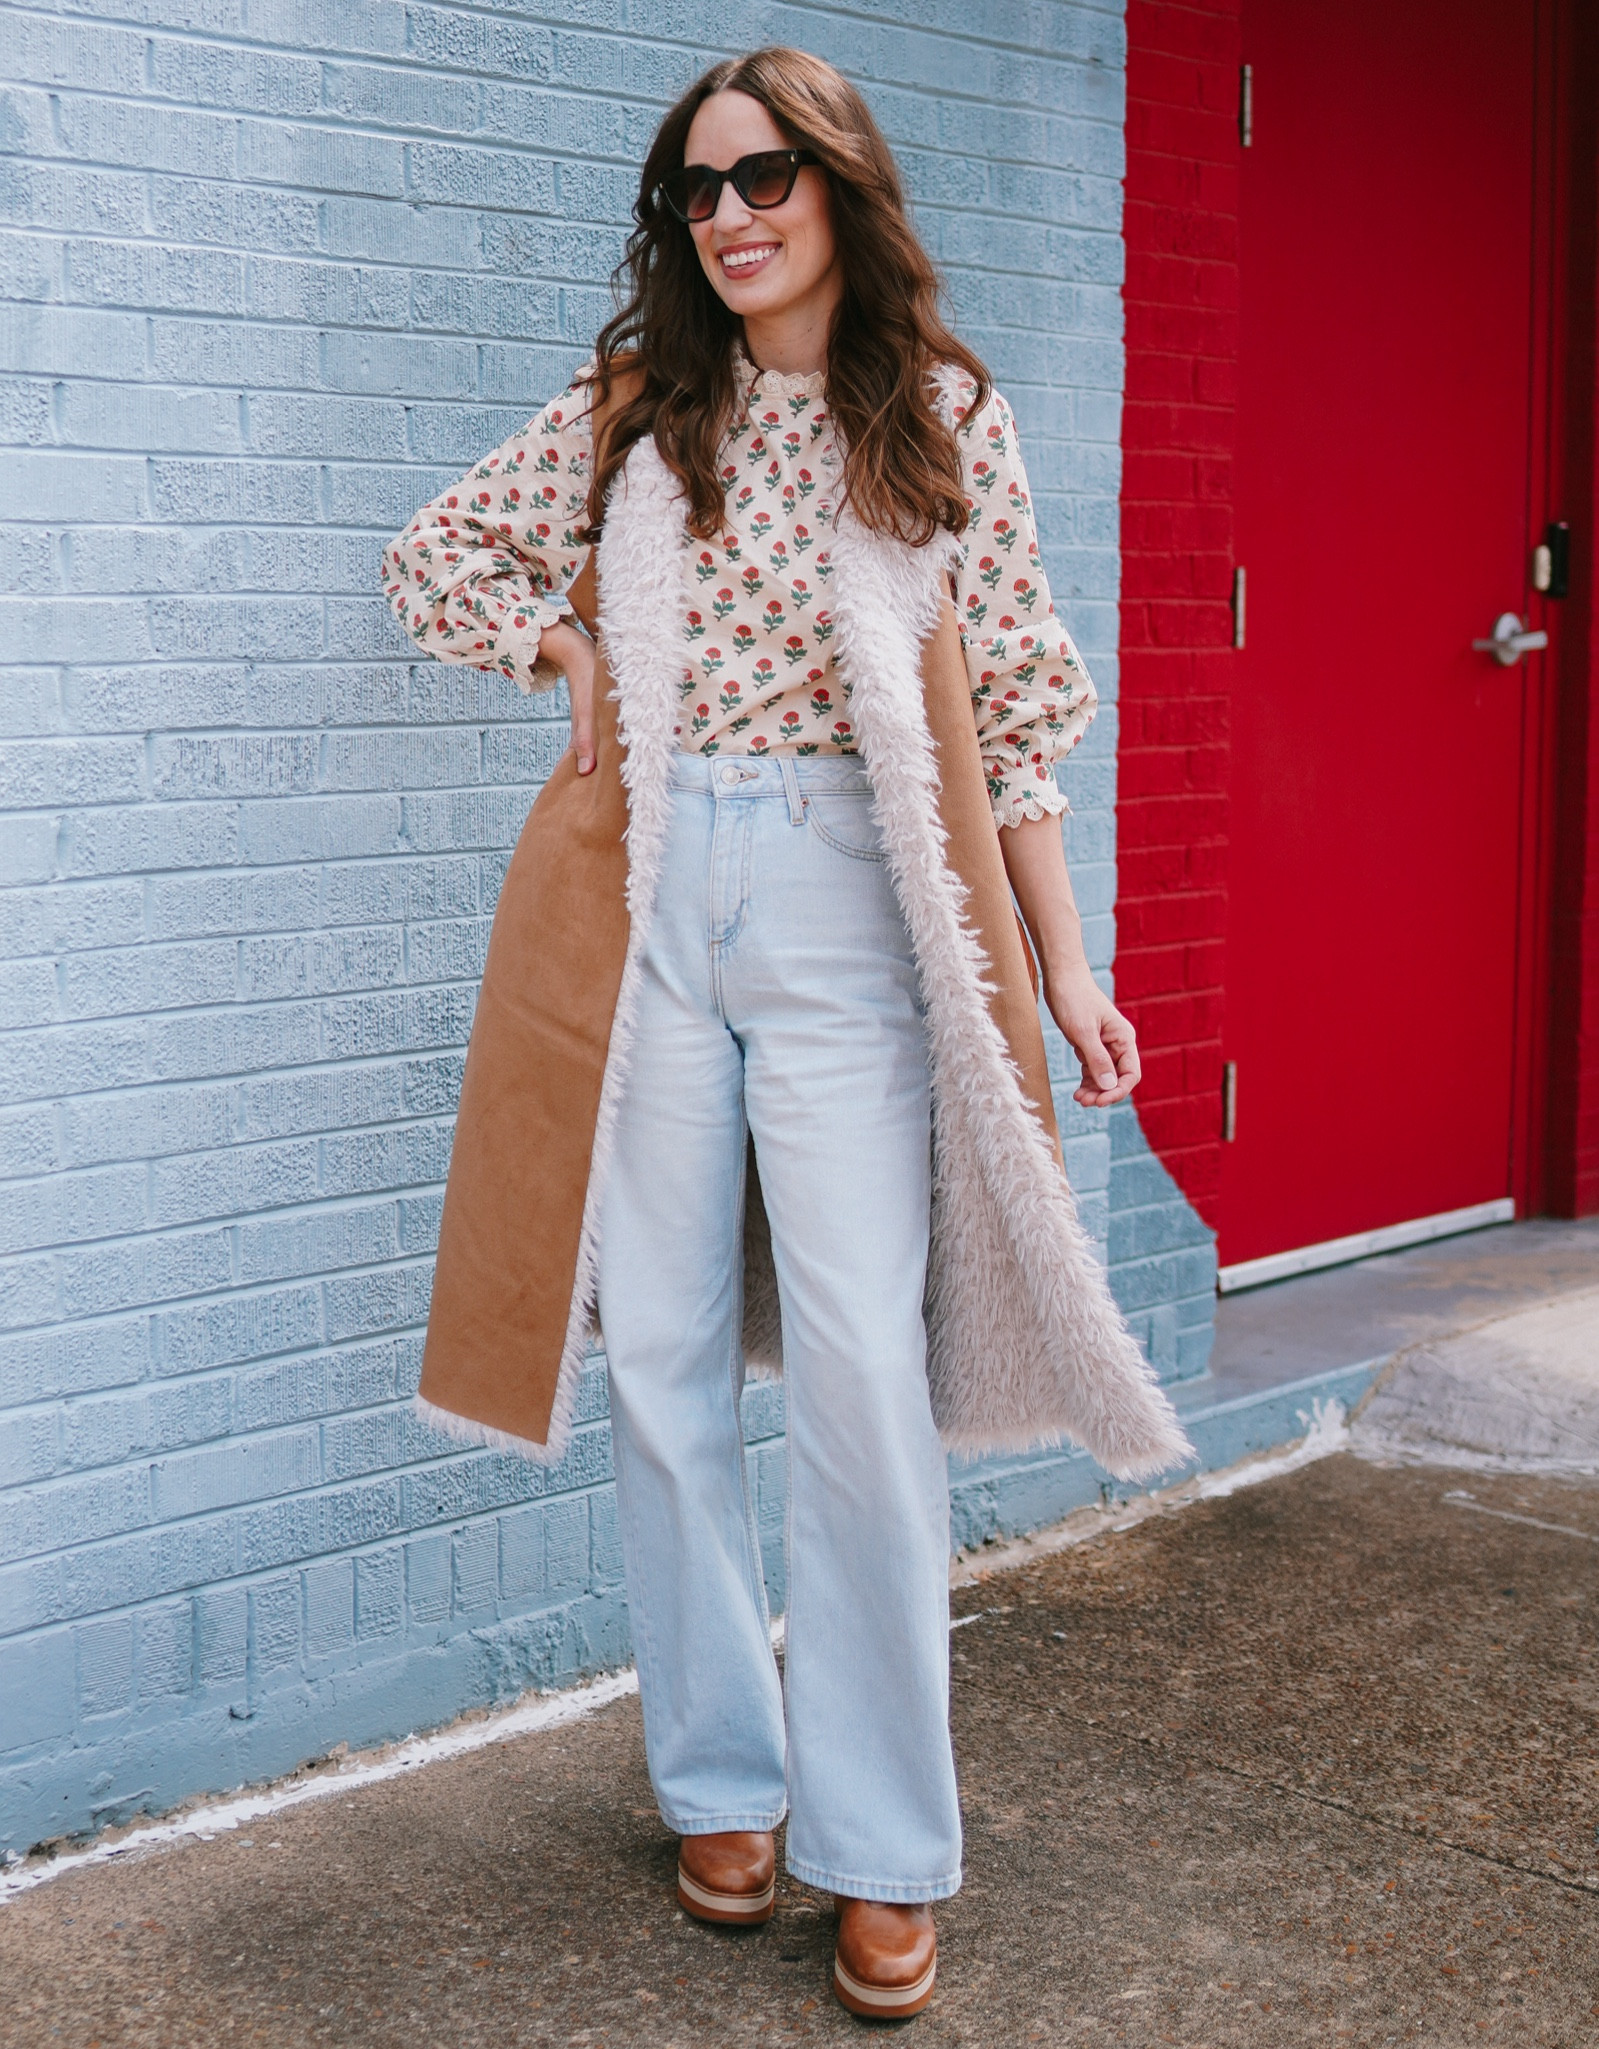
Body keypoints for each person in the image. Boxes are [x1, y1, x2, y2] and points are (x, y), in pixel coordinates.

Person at [383, 46, 1189, 2022]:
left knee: (855, 1372)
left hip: (850, 906)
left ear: (839, 190)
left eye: (762, 179)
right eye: (695, 190)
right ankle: (720, 1782)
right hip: (657, 898)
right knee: (654, 1351)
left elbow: (1013, 706)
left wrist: (1068, 967)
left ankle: (888, 1839)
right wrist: (562, 642)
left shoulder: (939, 419)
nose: (727, 216)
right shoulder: (636, 413)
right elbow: (433, 561)